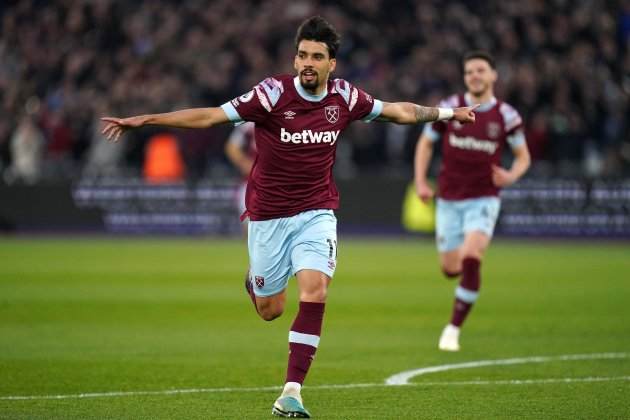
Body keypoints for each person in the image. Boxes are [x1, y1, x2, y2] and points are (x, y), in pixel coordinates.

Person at [102, 16, 477, 418]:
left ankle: (291, 391)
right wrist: (147, 120)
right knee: (271, 309)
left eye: (316, 56)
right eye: (302, 55)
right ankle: (255, 281)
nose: (307, 63)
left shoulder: (344, 98)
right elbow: (211, 115)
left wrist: (445, 114)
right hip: (267, 216)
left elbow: (397, 111)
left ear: (332, 63)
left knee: (315, 290)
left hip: (317, 212)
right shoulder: (271, 95)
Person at [414, 50, 531, 352]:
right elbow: (426, 142)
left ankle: (452, 329)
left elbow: (523, 156)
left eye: (480, 70)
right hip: (449, 199)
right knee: (450, 268)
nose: (475, 76)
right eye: (469, 72)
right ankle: (464, 284)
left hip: (484, 198)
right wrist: (420, 181)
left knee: (472, 256)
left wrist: (511, 175)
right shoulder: (450, 107)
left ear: (493, 75)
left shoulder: (506, 115)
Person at [224, 121, 256, 234]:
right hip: (251, 184)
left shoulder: (286, 119)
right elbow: (231, 147)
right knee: (249, 227)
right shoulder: (249, 124)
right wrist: (244, 163)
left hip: (278, 182)